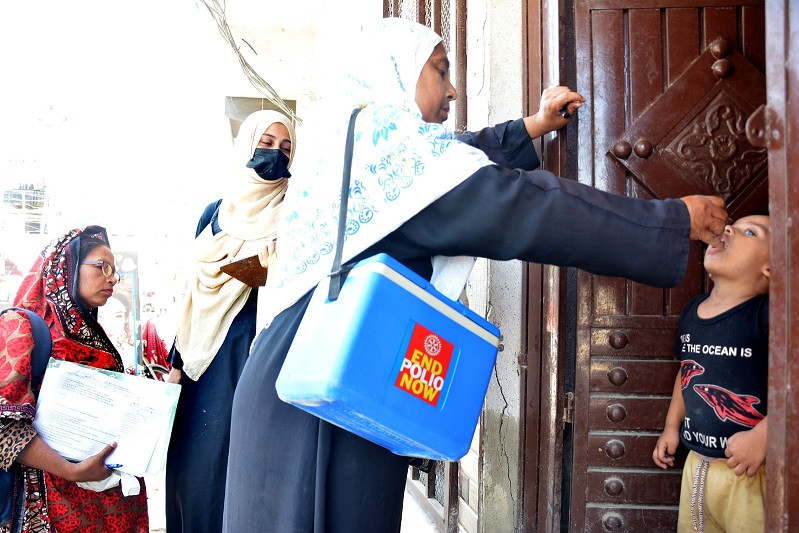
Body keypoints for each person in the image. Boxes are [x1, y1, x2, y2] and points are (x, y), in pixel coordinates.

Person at [222, 18, 728, 532]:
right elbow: (525, 209)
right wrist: (670, 221)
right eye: (440, 70)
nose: (453, 88)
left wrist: (531, 127)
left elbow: (456, 159)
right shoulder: (400, 159)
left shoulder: (362, 145)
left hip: (295, 374)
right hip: (328, 404)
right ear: (396, 74)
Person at [164, 110, 296, 533]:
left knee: (249, 463)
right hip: (207, 355)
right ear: (247, 146)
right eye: (266, 143)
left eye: (286, 148)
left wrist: (268, 269)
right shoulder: (216, 212)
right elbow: (192, 290)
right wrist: (177, 360)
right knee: (199, 463)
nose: (275, 154)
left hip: (261, 350)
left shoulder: (296, 209)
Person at [0, 225, 149, 533]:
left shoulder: (93, 335)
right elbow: (4, 431)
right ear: (64, 267)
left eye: (115, 271)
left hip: (104, 507)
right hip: (50, 508)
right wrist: (71, 471)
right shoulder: (21, 328)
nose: (112, 278)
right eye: (102, 266)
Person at [652, 214, 770, 532]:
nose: (728, 228)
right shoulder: (693, 310)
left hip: (749, 472)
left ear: (771, 270)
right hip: (697, 465)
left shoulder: (766, 314)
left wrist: (764, 436)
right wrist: (671, 427)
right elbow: (686, 373)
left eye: (750, 231)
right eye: (732, 224)